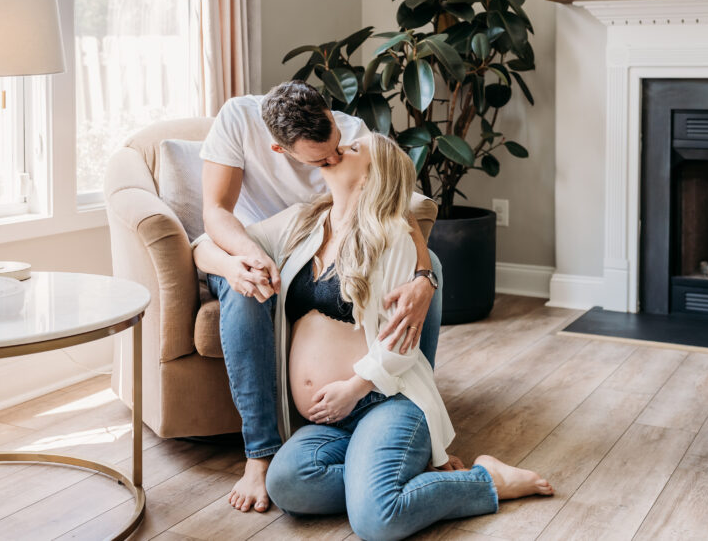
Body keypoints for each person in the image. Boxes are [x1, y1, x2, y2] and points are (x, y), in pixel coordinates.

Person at [193, 133, 553, 540]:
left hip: (385, 400)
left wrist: (353, 387)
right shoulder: (302, 222)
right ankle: (380, 477)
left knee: (376, 521)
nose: (336, 151)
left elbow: (403, 342)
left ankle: (487, 479)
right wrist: (231, 267)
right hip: (327, 422)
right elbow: (203, 245)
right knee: (286, 484)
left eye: (351, 150)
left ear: (369, 178)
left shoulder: (392, 236)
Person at [200, 81, 444, 513]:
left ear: (331, 116)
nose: (334, 157)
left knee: (432, 269)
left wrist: (424, 274)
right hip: (279, 246)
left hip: (369, 389)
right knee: (290, 484)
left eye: (340, 150)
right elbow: (208, 227)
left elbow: (394, 199)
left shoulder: (355, 138)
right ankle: (288, 459)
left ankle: (409, 422)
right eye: (322, 159)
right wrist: (240, 261)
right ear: (282, 151)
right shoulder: (299, 213)